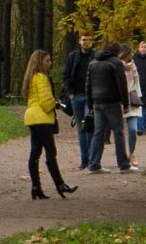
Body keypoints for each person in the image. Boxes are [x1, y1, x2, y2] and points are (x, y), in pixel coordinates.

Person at [20, 50, 78, 200]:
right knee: (51, 152)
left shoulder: (31, 77)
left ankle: (36, 186)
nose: (50, 63)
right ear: (40, 62)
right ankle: (60, 184)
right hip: (42, 117)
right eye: (47, 61)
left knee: (35, 153)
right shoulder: (41, 77)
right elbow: (46, 102)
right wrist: (56, 105)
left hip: (32, 117)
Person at [84, 41, 136, 173]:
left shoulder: (93, 63)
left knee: (98, 132)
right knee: (118, 132)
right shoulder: (116, 63)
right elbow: (122, 84)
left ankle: (94, 164)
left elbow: (88, 85)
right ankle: (123, 164)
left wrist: (89, 103)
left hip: (96, 101)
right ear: (117, 51)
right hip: (112, 101)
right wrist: (125, 103)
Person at [63, 32, 97, 168]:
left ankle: (91, 158)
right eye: (84, 40)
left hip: (91, 97)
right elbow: (66, 75)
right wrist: (70, 93)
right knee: (81, 129)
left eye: (89, 40)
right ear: (79, 41)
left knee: (90, 126)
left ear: (92, 41)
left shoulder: (96, 56)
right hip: (76, 96)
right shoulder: (72, 56)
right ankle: (84, 159)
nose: (86, 42)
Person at [119, 45, 144, 161]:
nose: (129, 56)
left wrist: (138, 97)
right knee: (118, 131)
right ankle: (121, 156)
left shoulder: (133, 65)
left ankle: (132, 153)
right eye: (127, 53)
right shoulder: (116, 65)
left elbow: (137, 81)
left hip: (132, 99)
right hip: (119, 100)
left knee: (133, 129)